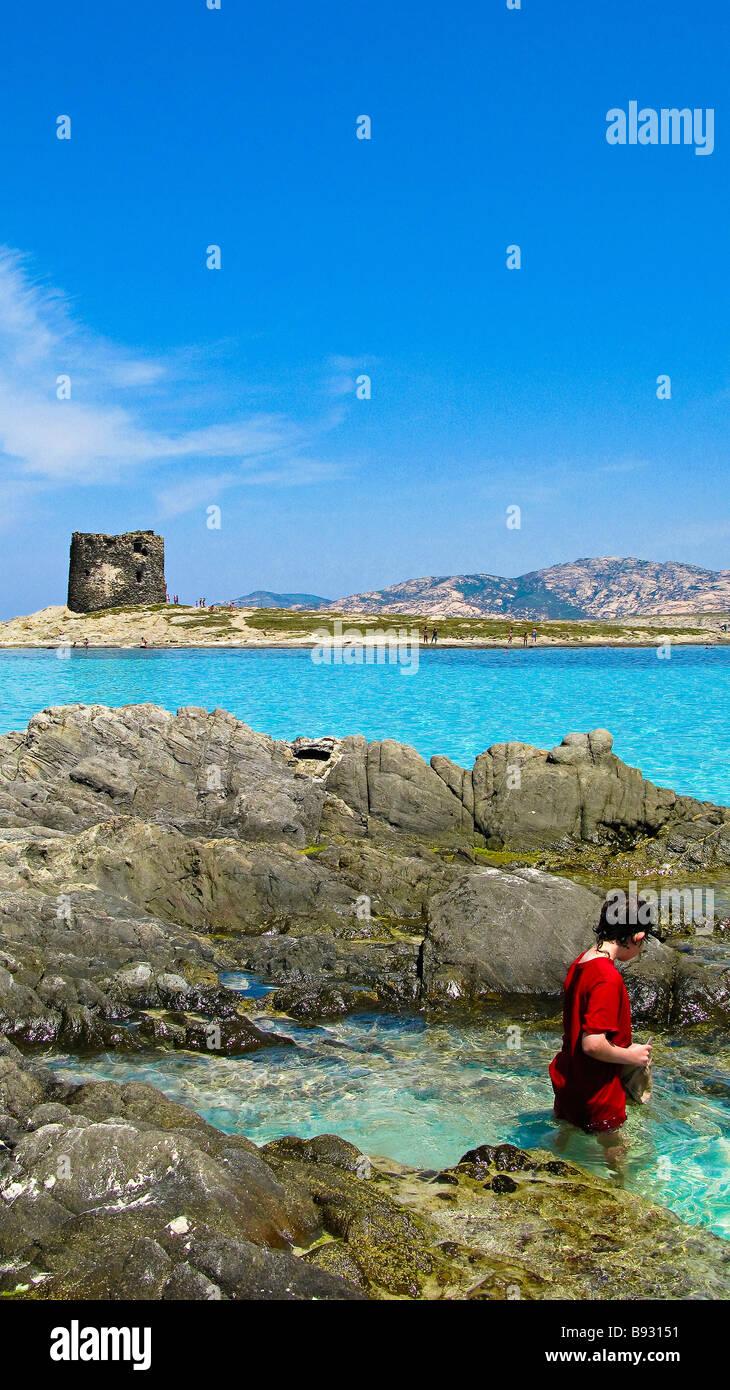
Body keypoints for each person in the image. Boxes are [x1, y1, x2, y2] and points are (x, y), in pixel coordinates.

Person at [549, 894, 652, 1163]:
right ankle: (624, 1193)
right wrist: (633, 1056)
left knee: (562, 1146)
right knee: (615, 1150)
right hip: (598, 1090)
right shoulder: (608, 978)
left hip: (570, 1079)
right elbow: (592, 1043)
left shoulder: (583, 961)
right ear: (638, 936)